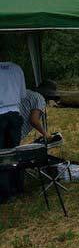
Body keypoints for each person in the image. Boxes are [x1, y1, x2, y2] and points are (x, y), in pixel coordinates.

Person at [0, 45, 26, 202]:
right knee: (14, 153)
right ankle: (18, 187)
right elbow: (23, 94)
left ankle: (5, 193)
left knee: (1, 155)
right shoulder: (17, 68)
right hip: (15, 113)